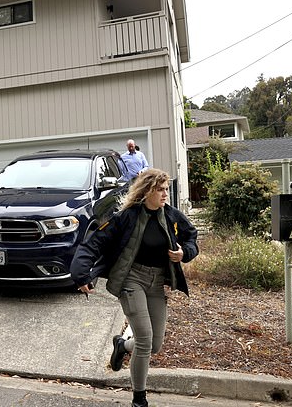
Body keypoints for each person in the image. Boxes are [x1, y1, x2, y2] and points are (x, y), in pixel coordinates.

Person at [70, 169, 198, 407]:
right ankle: (139, 399)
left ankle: (122, 345)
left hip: (157, 282)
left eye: (166, 189)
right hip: (131, 279)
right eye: (160, 189)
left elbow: (192, 238)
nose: (164, 194)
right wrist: (81, 275)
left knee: (154, 345)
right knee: (145, 338)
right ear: (147, 190)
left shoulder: (171, 216)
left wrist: (184, 253)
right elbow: (94, 243)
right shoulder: (126, 217)